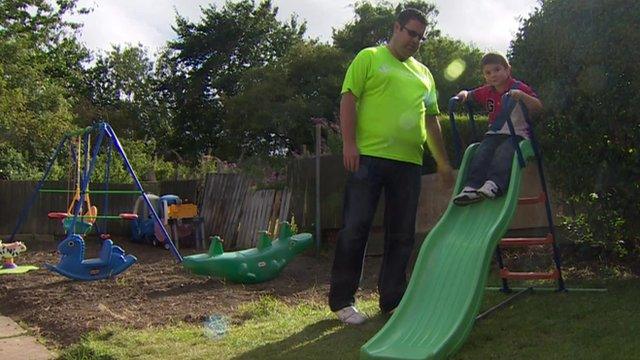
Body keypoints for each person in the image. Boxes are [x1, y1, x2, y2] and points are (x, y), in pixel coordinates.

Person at [329, 8, 453, 325]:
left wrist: (442, 162)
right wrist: (349, 143)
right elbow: (348, 98)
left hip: (408, 165)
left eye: (420, 37)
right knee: (355, 228)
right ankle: (343, 301)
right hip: (367, 159)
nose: (414, 41)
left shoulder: (424, 74)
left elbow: (431, 118)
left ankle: (392, 300)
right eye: (410, 33)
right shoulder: (369, 57)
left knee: (402, 235)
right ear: (396, 28)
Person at [452, 52, 543, 205]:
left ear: (508, 70)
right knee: (481, 152)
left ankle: (495, 184)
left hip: (517, 135)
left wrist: (521, 96)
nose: (493, 75)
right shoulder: (486, 91)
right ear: (484, 76)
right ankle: (472, 186)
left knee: (505, 152)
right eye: (488, 72)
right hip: (494, 134)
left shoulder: (519, 88)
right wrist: (463, 94)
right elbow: (470, 94)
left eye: (497, 69)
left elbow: (538, 107)